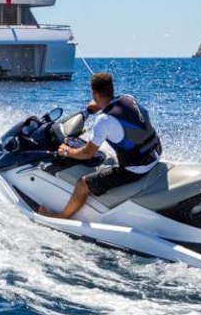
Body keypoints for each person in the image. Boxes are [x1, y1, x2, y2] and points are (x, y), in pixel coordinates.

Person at [38, 72, 162, 219]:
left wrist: (67, 151)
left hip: (136, 168)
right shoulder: (128, 98)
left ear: (94, 93)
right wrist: (99, 105)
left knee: (82, 183)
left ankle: (62, 216)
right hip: (155, 153)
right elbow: (121, 114)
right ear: (112, 88)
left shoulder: (103, 120)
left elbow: (87, 153)